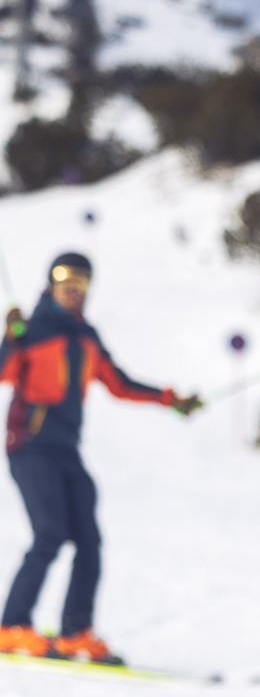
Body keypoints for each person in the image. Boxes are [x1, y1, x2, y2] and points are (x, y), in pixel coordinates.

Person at [0, 253, 200, 662]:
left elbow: (118, 382)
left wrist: (170, 399)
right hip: (30, 445)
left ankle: (76, 632)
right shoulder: (31, 330)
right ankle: (11, 627)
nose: (73, 289)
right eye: (65, 280)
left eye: (81, 282)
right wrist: (9, 336)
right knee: (50, 533)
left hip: (66, 449)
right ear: (51, 284)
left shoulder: (86, 337)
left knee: (89, 540)